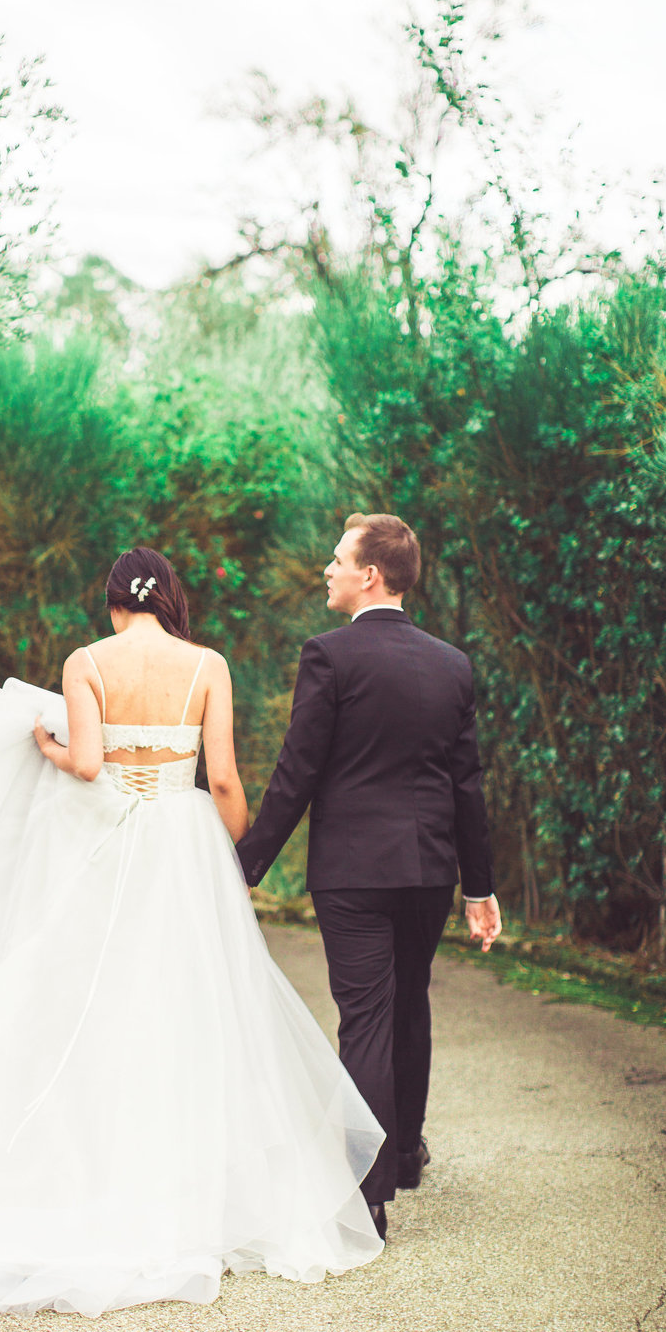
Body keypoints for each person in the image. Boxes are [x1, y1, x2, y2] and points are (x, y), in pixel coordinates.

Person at [0, 546, 386, 1316]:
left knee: (75, 998)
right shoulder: (208, 665)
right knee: (191, 1008)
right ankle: (187, 1186)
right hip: (182, 846)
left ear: (114, 602)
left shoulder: (86, 660)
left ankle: (70, 1170)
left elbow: (90, 766)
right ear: (170, 602)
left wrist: (50, 747)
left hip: (107, 847)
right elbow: (222, 778)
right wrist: (234, 855)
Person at [235, 513, 501, 1241]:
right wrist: (479, 888)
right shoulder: (452, 664)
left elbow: (299, 771)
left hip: (352, 870)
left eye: (337, 559)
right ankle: (405, 1152)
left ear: (371, 575)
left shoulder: (329, 656)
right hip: (426, 871)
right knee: (408, 1002)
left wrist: (246, 863)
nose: (327, 569)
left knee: (367, 1018)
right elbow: (466, 787)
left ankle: (370, 1192)